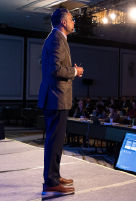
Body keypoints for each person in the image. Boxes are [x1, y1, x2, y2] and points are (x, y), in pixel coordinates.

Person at [38, 8, 84, 195]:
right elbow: (56, 70)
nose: (74, 22)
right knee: (54, 142)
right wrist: (75, 72)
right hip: (56, 98)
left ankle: (54, 177)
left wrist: (69, 70)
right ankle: (51, 182)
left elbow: (55, 68)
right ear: (63, 22)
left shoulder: (57, 38)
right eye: (72, 19)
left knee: (56, 141)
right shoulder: (57, 39)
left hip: (56, 98)